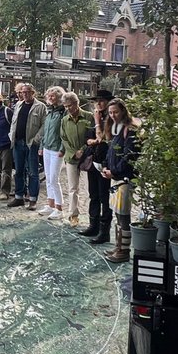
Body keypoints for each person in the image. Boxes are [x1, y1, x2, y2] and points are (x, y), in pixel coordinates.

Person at [102, 97, 141, 263]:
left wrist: (115, 171)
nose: (112, 115)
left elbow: (129, 157)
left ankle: (124, 251)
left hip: (124, 178)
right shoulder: (115, 127)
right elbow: (111, 150)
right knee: (117, 213)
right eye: (110, 113)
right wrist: (105, 166)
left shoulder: (130, 130)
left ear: (123, 111)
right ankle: (119, 246)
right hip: (115, 177)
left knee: (123, 214)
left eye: (115, 112)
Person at [80, 89, 114, 242]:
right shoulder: (95, 117)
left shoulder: (110, 118)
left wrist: (98, 123)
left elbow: (104, 138)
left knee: (104, 196)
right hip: (93, 159)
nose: (98, 103)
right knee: (93, 193)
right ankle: (93, 224)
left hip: (105, 161)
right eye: (96, 101)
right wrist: (91, 140)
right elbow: (88, 137)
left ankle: (104, 231)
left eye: (101, 100)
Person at [59, 92, 94, 228]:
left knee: (90, 189)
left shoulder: (88, 117)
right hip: (71, 158)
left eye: (70, 106)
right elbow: (63, 138)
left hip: (87, 157)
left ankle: (92, 216)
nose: (68, 109)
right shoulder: (64, 120)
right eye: (65, 106)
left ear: (76, 104)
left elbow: (92, 136)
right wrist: (73, 152)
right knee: (73, 188)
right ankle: (73, 215)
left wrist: (83, 150)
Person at [7, 82, 44, 210]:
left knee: (33, 172)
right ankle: (19, 197)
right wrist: (11, 135)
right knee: (18, 171)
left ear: (33, 93)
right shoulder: (18, 105)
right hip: (17, 143)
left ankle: (33, 199)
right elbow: (14, 122)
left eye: (28, 92)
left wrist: (36, 139)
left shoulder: (40, 107)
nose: (25, 94)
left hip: (31, 144)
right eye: (23, 92)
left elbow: (44, 125)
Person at [40, 86, 67, 219]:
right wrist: (41, 145)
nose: (50, 98)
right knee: (48, 177)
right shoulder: (49, 112)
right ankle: (50, 205)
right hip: (47, 147)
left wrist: (62, 149)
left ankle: (59, 208)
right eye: (49, 96)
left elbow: (64, 132)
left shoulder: (63, 112)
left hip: (57, 149)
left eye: (53, 96)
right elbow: (45, 131)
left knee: (54, 179)